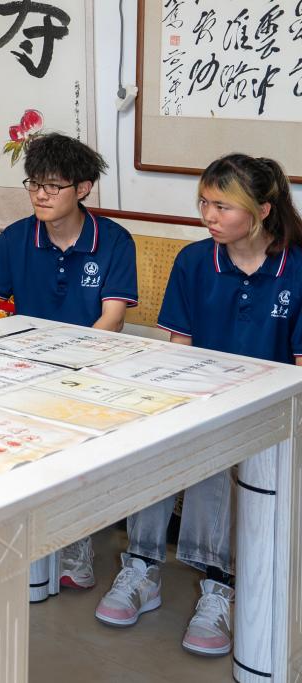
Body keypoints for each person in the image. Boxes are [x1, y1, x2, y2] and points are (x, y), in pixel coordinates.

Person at [95, 154, 302, 656]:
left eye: (222, 206)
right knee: (151, 442)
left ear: (263, 210)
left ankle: (220, 586)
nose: (208, 216)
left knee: (223, 457)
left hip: (273, 412)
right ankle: (142, 568)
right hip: (202, 396)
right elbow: (178, 351)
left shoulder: (297, 268)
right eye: (204, 203)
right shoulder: (194, 261)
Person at [0, 132, 139, 599]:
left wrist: (69, 369)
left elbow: (113, 319)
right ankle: (19, 539)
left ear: (83, 188)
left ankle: (75, 540)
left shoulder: (114, 241)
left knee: (75, 441)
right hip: (20, 368)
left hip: (90, 369)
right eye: (34, 184)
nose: (40, 195)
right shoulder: (17, 237)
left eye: (53, 186)